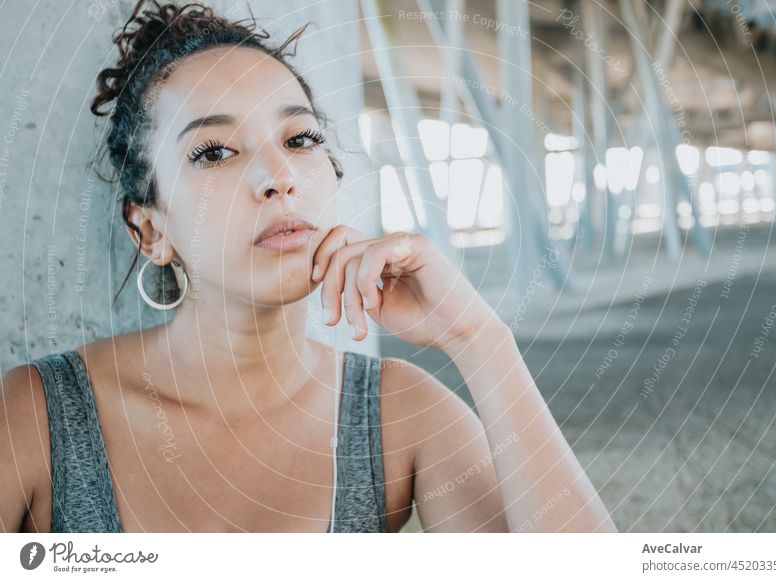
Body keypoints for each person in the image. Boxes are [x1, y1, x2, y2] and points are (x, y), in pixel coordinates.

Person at [0, 0, 616, 533]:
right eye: (214, 151)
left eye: (300, 139)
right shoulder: (40, 415)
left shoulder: (397, 413)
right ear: (152, 230)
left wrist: (480, 340)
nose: (280, 178)